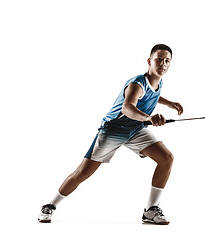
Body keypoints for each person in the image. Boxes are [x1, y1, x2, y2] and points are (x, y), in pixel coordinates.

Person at [38, 44, 183, 225]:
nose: (163, 63)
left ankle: (151, 210)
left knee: (166, 158)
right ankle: (50, 206)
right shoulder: (137, 83)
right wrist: (149, 117)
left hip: (136, 130)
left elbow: (153, 95)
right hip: (113, 129)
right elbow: (128, 107)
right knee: (84, 171)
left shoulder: (158, 82)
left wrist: (169, 103)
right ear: (149, 61)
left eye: (167, 61)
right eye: (159, 59)